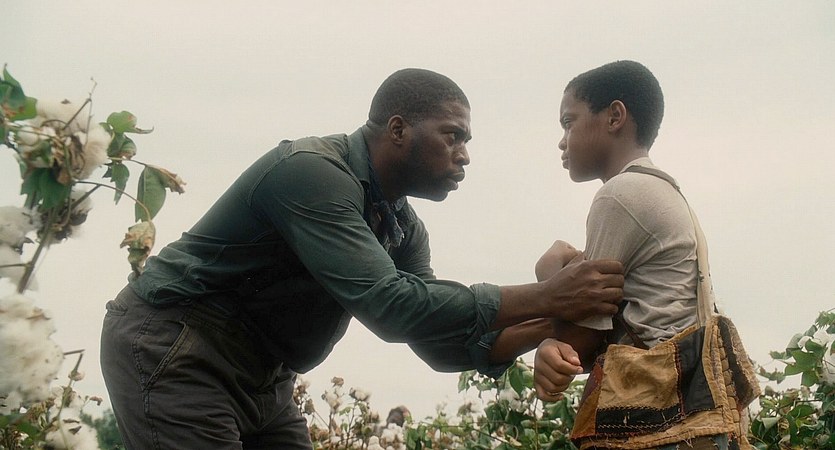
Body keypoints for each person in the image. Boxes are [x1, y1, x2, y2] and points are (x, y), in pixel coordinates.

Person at [100, 68, 625, 450]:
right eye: (453, 135)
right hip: (181, 349)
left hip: (264, 376)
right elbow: (391, 306)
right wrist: (549, 295)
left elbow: (435, 340)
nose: (464, 154)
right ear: (398, 130)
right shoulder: (313, 174)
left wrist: (554, 321)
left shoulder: (402, 228)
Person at [532, 61, 735, 449]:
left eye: (569, 122)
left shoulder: (619, 195)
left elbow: (579, 339)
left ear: (614, 117)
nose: (562, 140)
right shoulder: (667, 194)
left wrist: (549, 279)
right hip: (693, 419)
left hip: (653, 424)